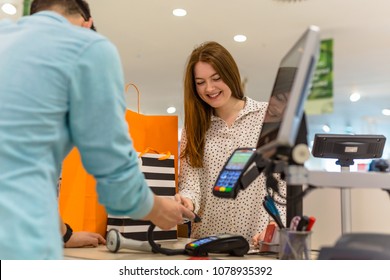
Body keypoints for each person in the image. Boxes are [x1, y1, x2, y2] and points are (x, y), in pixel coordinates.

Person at [0, 0, 194, 260]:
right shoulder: (88, 47)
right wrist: (159, 209)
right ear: (87, 23)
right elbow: (114, 174)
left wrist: (65, 235)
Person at [174, 41, 286, 245]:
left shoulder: (268, 118)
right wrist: (187, 201)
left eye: (216, 78)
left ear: (230, 74)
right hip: (207, 244)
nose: (209, 88)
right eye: (200, 82)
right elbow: (191, 184)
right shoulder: (195, 129)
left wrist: (275, 227)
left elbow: (282, 185)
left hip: (257, 246)